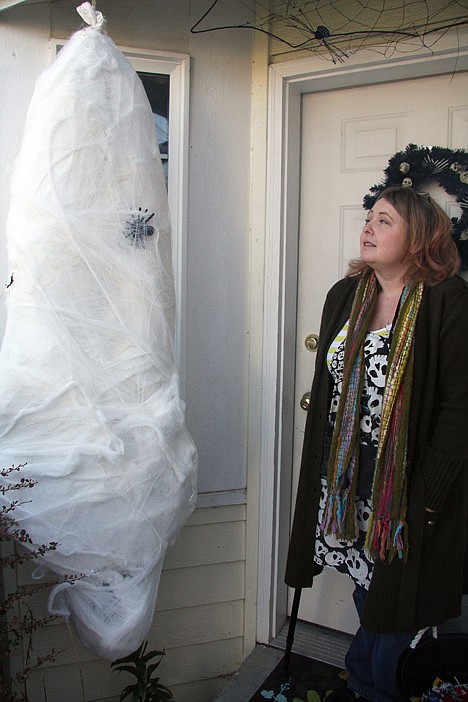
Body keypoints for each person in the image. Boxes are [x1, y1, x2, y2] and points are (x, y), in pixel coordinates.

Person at [285, 186, 468, 702]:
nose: (368, 227)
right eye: (369, 218)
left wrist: (429, 496)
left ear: (418, 238)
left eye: (383, 220)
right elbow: (329, 389)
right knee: (372, 587)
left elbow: (459, 408)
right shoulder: (347, 295)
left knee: (395, 594)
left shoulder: (448, 301)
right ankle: (368, 679)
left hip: (407, 481)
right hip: (346, 477)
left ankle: (372, 684)